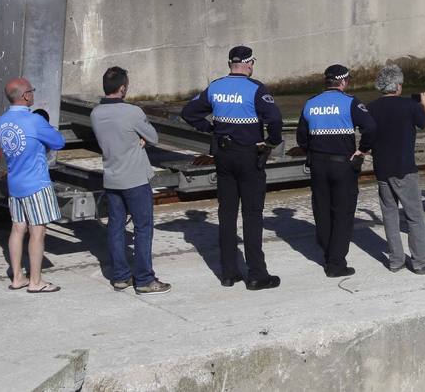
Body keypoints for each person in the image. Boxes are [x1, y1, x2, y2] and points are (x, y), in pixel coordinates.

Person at [180, 46, 284, 289]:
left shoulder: (215, 87)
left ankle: (228, 273)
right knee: (252, 215)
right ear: (248, 64)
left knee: (226, 214)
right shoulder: (256, 88)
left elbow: (189, 113)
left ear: (230, 64)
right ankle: (257, 273)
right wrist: (271, 141)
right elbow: (276, 119)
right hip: (249, 155)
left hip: (223, 156)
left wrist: (211, 130)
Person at [91, 66, 170, 295]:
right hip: (135, 178)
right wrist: (140, 138)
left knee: (115, 227)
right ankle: (145, 278)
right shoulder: (132, 112)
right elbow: (153, 137)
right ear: (123, 88)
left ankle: (120, 277)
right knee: (143, 228)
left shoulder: (96, 113)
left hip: (112, 177)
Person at [296, 64, 377, 278]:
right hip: (343, 164)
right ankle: (336, 263)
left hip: (318, 165)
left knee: (322, 210)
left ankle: (327, 252)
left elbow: (301, 138)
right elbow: (371, 127)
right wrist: (362, 150)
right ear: (343, 82)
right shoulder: (350, 102)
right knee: (343, 212)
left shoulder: (310, 103)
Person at [366, 64, 425, 275]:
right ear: (397, 85)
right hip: (404, 167)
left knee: (389, 215)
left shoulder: (371, 107)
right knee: (415, 215)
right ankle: (420, 261)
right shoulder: (409, 105)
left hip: (382, 167)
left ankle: (396, 260)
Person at [0, 77, 66, 293]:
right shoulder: (34, 121)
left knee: (18, 229)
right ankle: (36, 281)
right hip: (36, 183)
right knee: (38, 232)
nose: (33, 94)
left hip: (14, 182)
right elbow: (59, 142)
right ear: (26, 95)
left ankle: (17, 276)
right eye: (32, 91)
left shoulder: (2, 121)